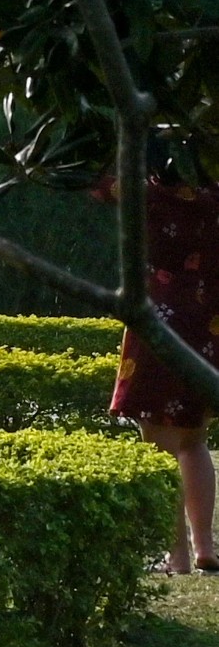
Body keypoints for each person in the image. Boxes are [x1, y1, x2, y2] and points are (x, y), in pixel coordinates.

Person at [104, 171, 219, 573]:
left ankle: (177, 556)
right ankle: (204, 546)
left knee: (159, 446)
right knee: (193, 438)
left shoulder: (148, 191)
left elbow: (98, 182)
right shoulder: (212, 190)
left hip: (160, 317)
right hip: (208, 318)